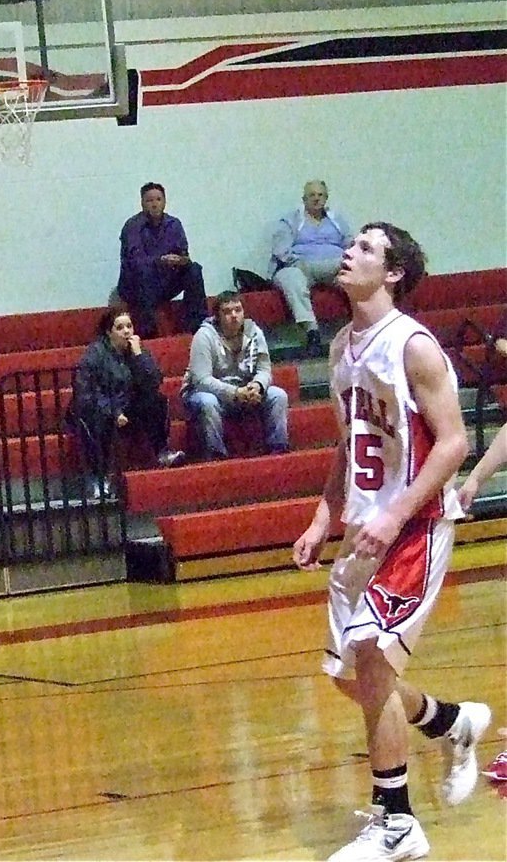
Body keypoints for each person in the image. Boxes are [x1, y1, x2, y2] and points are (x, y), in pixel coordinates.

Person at [293, 222, 491, 862]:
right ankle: (450, 721)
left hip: (414, 527)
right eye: (350, 244)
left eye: (365, 248)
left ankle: (397, 823)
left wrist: (397, 513)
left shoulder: (414, 346)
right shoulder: (341, 348)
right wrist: (323, 517)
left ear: (394, 272)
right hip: (363, 529)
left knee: (373, 662)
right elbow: (348, 444)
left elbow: (455, 444)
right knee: (351, 679)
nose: (348, 253)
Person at [66, 308, 185, 484]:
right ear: (109, 332)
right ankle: (98, 477)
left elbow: (154, 382)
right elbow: (86, 392)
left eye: (129, 326)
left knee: (156, 400)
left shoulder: (137, 350)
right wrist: (114, 412)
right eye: (120, 328)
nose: (127, 331)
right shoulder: (95, 354)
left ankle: (163, 453)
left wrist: (139, 356)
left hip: (128, 406)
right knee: (95, 418)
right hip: (99, 407)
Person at [182, 290, 290, 459]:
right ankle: (216, 455)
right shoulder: (203, 336)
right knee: (207, 401)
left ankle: (278, 449)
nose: (234, 315)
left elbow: (264, 369)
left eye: (238, 310)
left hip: (245, 390)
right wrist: (234, 392)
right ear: (217, 316)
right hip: (208, 393)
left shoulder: (254, 332)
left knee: (278, 395)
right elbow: (201, 380)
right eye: (227, 311)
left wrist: (257, 385)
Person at [271, 179, 353, 357]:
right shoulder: (290, 221)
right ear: (304, 199)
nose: (316, 199)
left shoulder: (337, 221)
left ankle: (365, 328)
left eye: (320, 195)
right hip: (301, 267)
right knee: (291, 278)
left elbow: (350, 245)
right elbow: (281, 250)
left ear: (326, 198)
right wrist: (299, 263)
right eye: (312, 195)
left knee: (356, 275)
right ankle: (312, 333)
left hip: (333, 267)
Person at [116, 182, 208, 338]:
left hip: (164, 282)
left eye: (158, 199)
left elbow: (184, 253)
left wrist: (181, 260)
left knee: (194, 269)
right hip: (136, 285)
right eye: (149, 200)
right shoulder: (132, 226)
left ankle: (196, 325)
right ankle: (148, 333)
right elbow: (134, 262)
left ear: (164, 201)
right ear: (142, 203)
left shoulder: (174, 224)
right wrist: (160, 260)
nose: (154, 204)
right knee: (144, 272)